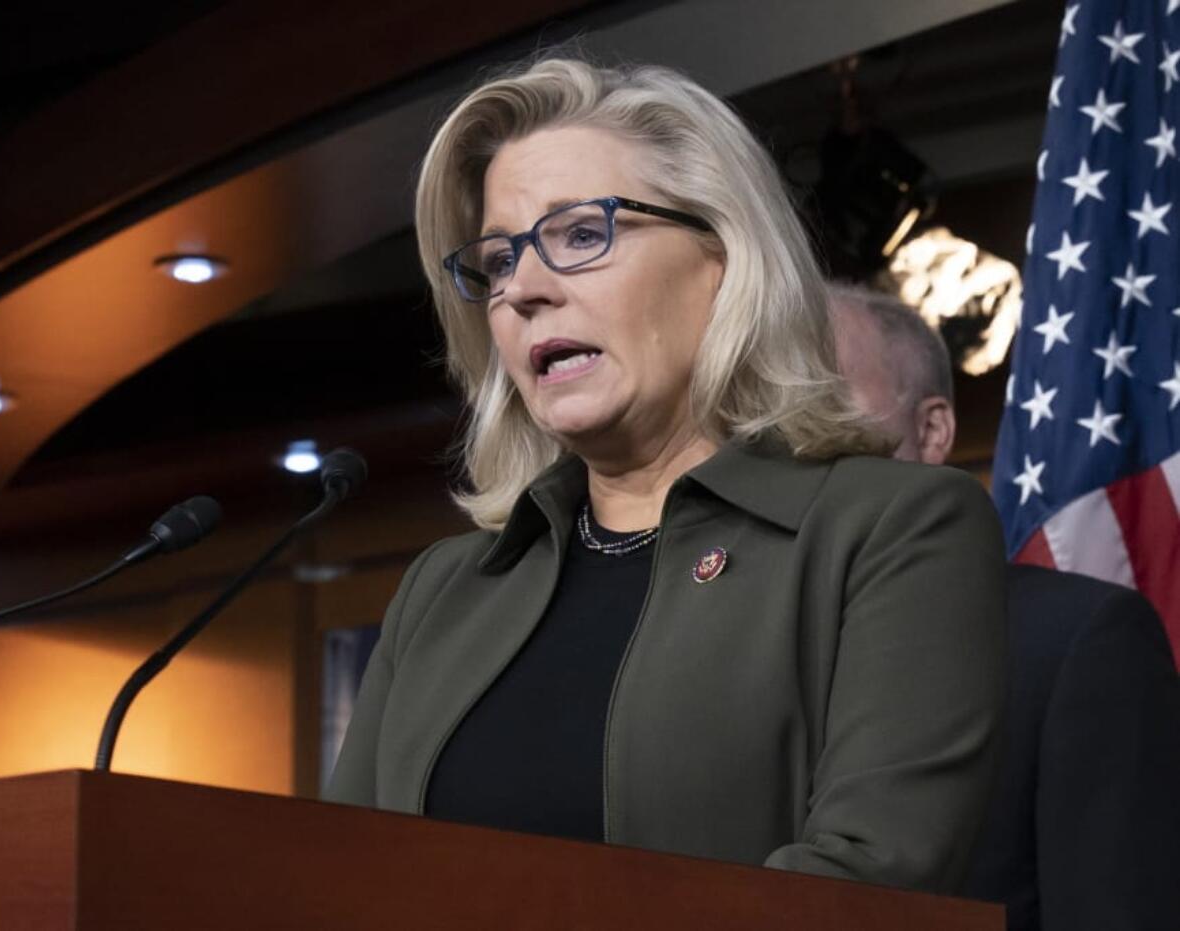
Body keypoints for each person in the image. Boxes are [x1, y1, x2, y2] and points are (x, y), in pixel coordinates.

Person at [325, 57, 1007, 894]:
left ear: (721, 257)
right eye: (499, 261)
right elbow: (341, 884)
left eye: (581, 234)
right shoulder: (443, 590)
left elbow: (865, 880)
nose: (524, 290)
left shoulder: (895, 530)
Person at [829, 283, 1180, 930]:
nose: (784, 432)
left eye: (823, 396)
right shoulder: (717, 642)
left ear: (931, 428)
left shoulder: (1076, 640)